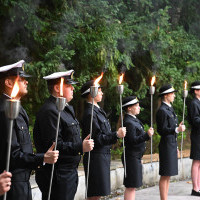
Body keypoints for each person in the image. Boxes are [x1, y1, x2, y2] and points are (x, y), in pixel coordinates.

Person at [0, 60, 59, 200]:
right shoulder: (4, 112)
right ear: (9, 83)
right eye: (22, 79)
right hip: (11, 185)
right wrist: (42, 158)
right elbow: (12, 155)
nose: (26, 82)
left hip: (22, 182)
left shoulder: (19, 109)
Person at [33, 70, 94, 200]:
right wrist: (80, 147)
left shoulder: (65, 108)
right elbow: (54, 145)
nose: (73, 88)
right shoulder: (50, 111)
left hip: (68, 172)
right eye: (68, 85)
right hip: (57, 174)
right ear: (57, 88)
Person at [81, 80, 126, 200]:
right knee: (95, 194)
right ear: (92, 93)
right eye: (99, 90)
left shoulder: (97, 110)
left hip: (102, 156)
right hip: (95, 157)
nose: (102, 93)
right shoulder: (90, 113)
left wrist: (114, 135)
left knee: (98, 193)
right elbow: (97, 138)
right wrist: (116, 135)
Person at [156, 84, 185, 200]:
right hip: (166, 145)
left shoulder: (169, 108)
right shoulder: (162, 110)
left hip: (171, 144)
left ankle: (165, 198)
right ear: (166, 95)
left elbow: (171, 129)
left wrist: (176, 145)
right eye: (172, 93)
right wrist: (176, 129)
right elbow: (161, 130)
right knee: (165, 174)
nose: (174, 95)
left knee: (168, 175)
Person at [122, 96, 154, 200]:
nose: (139, 107)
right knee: (131, 185)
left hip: (136, 156)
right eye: (136, 105)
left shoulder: (134, 119)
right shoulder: (128, 122)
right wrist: (146, 135)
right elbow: (132, 140)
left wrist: (146, 135)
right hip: (131, 156)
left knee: (133, 185)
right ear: (129, 108)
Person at [187, 81, 200, 196]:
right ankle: (195, 189)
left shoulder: (198, 102)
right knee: (196, 161)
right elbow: (195, 120)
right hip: (197, 135)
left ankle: (198, 187)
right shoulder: (194, 103)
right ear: (196, 91)